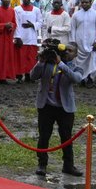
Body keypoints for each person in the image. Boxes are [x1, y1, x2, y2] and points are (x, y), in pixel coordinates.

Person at [28, 41, 83, 179]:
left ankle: (68, 165)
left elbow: (76, 79)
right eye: (66, 50)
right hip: (46, 105)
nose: (67, 53)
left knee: (66, 137)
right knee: (44, 136)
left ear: (75, 54)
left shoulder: (76, 67)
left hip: (65, 108)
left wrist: (61, 63)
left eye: (70, 51)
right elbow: (32, 76)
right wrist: (40, 61)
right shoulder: (47, 63)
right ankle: (42, 164)